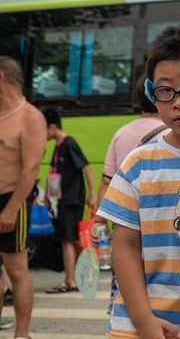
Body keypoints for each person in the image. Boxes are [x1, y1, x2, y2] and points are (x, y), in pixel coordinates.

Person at [96, 25, 180, 339]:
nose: (178, 102)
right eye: (166, 90)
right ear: (152, 92)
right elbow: (124, 246)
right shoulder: (139, 163)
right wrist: (144, 321)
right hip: (138, 324)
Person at [0, 57, 44, 338]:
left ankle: (22, 333)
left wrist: (11, 209)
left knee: (16, 270)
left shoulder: (30, 117)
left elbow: (30, 169)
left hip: (11, 200)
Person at [93, 76, 167, 229]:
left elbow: (107, 181)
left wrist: (100, 221)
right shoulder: (172, 135)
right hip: (158, 220)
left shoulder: (121, 133)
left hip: (125, 220)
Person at [43, 108, 96, 294]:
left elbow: (87, 168)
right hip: (63, 199)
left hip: (72, 199)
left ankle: (70, 281)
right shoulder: (58, 146)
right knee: (71, 239)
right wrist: (47, 199)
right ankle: (85, 271)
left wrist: (92, 194)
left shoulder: (69, 143)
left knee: (67, 240)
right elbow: (53, 174)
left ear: (52, 127)